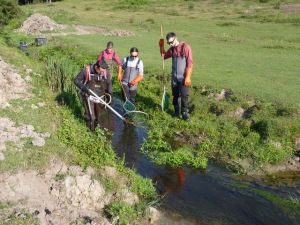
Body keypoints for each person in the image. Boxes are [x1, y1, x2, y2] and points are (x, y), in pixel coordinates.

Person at [159, 32, 193, 120]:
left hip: (183, 77)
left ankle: (185, 113)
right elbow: (163, 56)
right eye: (168, 43)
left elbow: (189, 63)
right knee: (175, 95)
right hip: (174, 77)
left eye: (171, 42)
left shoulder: (185, 47)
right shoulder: (172, 49)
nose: (171, 44)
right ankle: (176, 112)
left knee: (184, 95)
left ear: (175, 38)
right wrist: (161, 46)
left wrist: (188, 77)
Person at [74, 60, 109, 131]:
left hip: (99, 96)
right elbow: (76, 80)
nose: (103, 73)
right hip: (88, 96)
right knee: (91, 116)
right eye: (101, 71)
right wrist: (84, 88)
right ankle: (90, 131)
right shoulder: (86, 70)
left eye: (104, 71)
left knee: (99, 115)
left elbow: (108, 83)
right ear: (96, 67)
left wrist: (109, 94)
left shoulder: (104, 71)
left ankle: (98, 130)